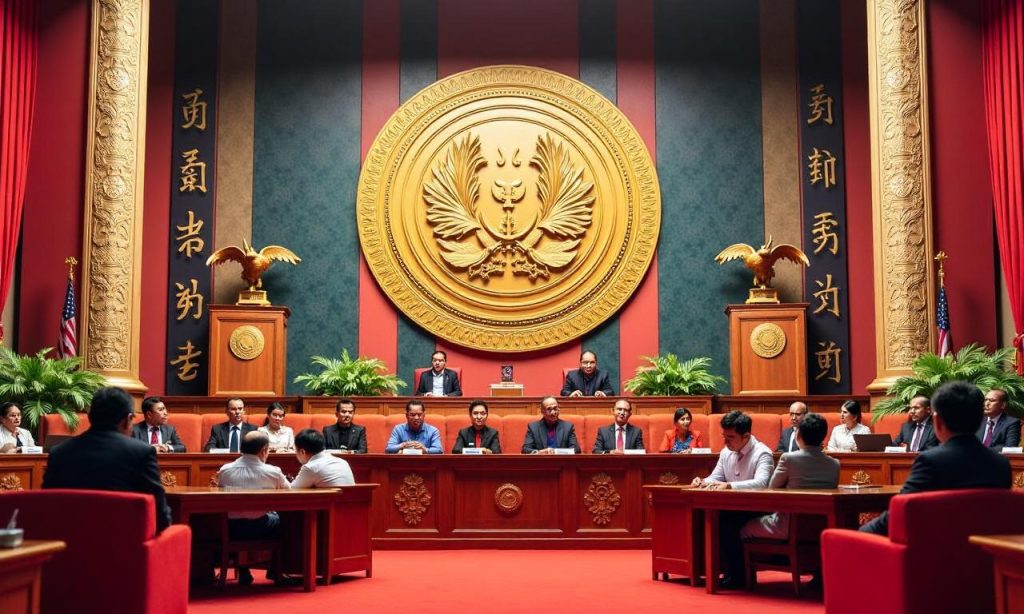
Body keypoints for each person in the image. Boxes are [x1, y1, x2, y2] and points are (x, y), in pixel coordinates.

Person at [861, 381, 1012, 536]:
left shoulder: (930, 462)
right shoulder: (1001, 464)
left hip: (934, 547)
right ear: (980, 419)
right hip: (986, 548)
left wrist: (860, 533)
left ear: (937, 421)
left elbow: (899, 512)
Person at [43, 387, 171, 532]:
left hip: (69, 540)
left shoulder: (59, 452)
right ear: (128, 419)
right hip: (125, 540)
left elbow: (48, 506)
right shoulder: (142, 453)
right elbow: (160, 517)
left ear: (90, 417)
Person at [691, 411, 774, 589]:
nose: (725, 442)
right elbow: (716, 477)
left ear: (746, 436)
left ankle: (737, 576)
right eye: (724, 436)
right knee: (709, 516)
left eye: (730, 437)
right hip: (733, 507)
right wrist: (703, 481)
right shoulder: (726, 452)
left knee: (726, 521)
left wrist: (729, 486)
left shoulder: (763, 453)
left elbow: (762, 483)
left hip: (757, 508)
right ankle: (716, 571)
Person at [742, 413, 839, 540]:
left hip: (788, 526)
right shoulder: (835, 463)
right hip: (822, 527)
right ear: (824, 436)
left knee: (745, 527)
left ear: (798, 435)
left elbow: (772, 489)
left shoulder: (789, 458)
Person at [216, 431, 290, 585]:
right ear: (264, 450)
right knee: (287, 520)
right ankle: (275, 570)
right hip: (261, 527)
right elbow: (290, 492)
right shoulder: (273, 472)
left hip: (230, 528)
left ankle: (243, 569)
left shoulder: (225, 470)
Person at [290, 429, 354, 488]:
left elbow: (292, 490)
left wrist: (284, 479)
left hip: (331, 497)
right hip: (351, 497)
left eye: (296, 450)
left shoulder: (310, 468)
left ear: (302, 451)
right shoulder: (343, 462)